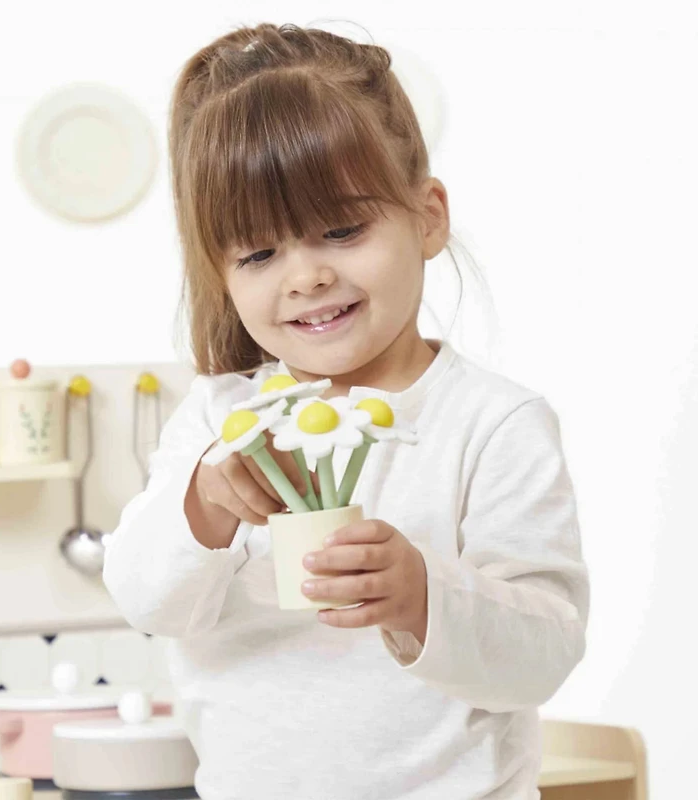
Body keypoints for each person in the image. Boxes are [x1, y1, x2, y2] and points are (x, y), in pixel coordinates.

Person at [103, 21, 589, 800]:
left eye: (341, 230)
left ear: (427, 217)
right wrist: (205, 503)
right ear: (222, 275)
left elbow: (545, 654)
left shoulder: (492, 424)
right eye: (259, 254)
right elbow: (146, 599)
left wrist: (423, 596)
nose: (306, 277)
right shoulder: (222, 422)